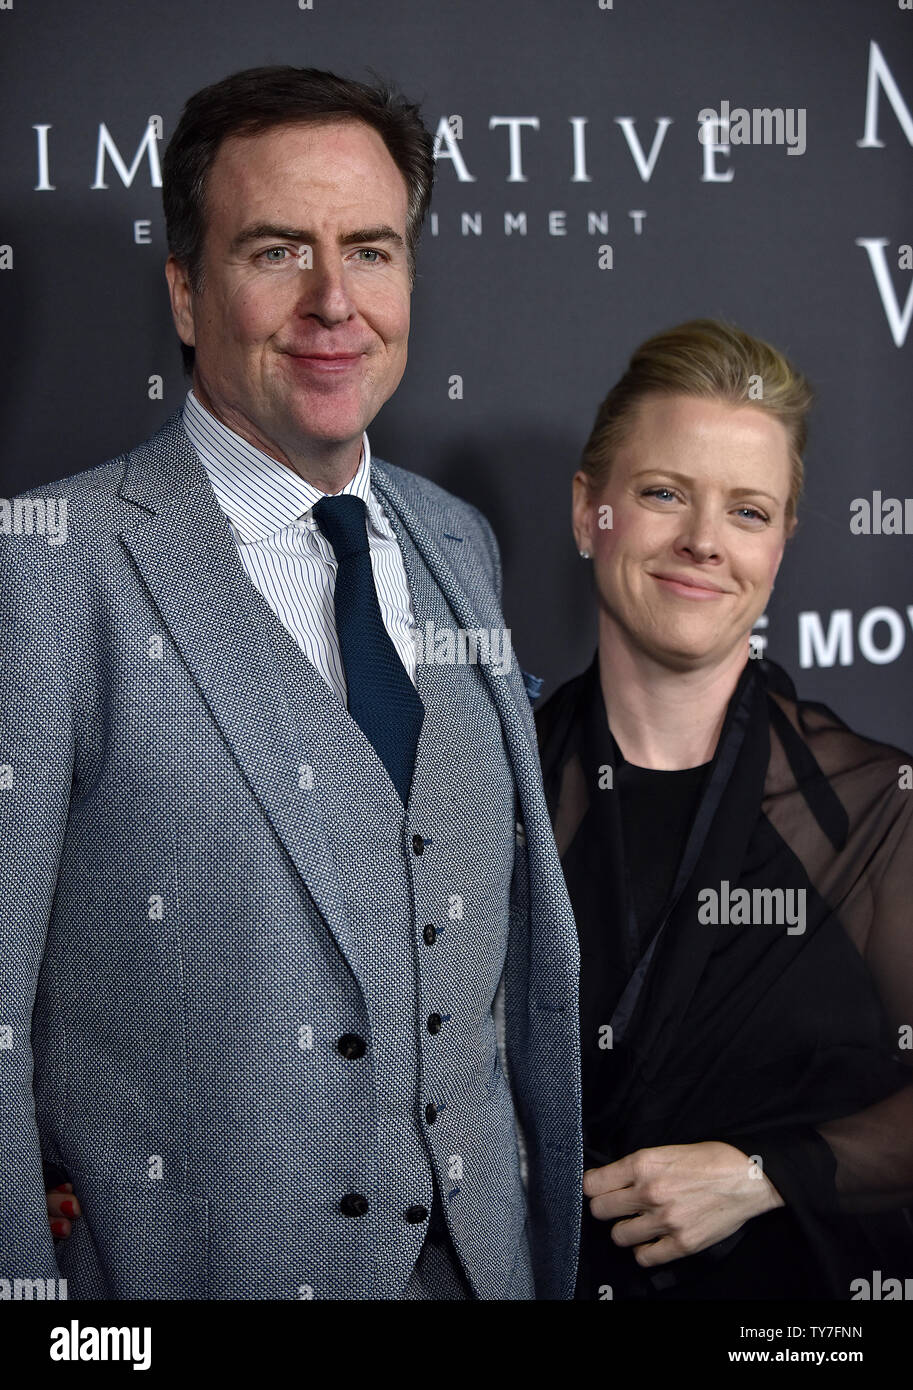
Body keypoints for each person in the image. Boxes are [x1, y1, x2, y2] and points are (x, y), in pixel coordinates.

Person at [0, 66, 582, 1301]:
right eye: (276, 251)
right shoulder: (46, 572)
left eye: (369, 250)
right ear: (186, 293)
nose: (334, 302)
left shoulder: (455, 541)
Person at [535, 318, 913, 1300]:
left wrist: (758, 1177)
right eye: (663, 494)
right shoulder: (492, 794)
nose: (702, 542)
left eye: (747, 512)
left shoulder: (878, 809)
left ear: (781, 544)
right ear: (589, 513)